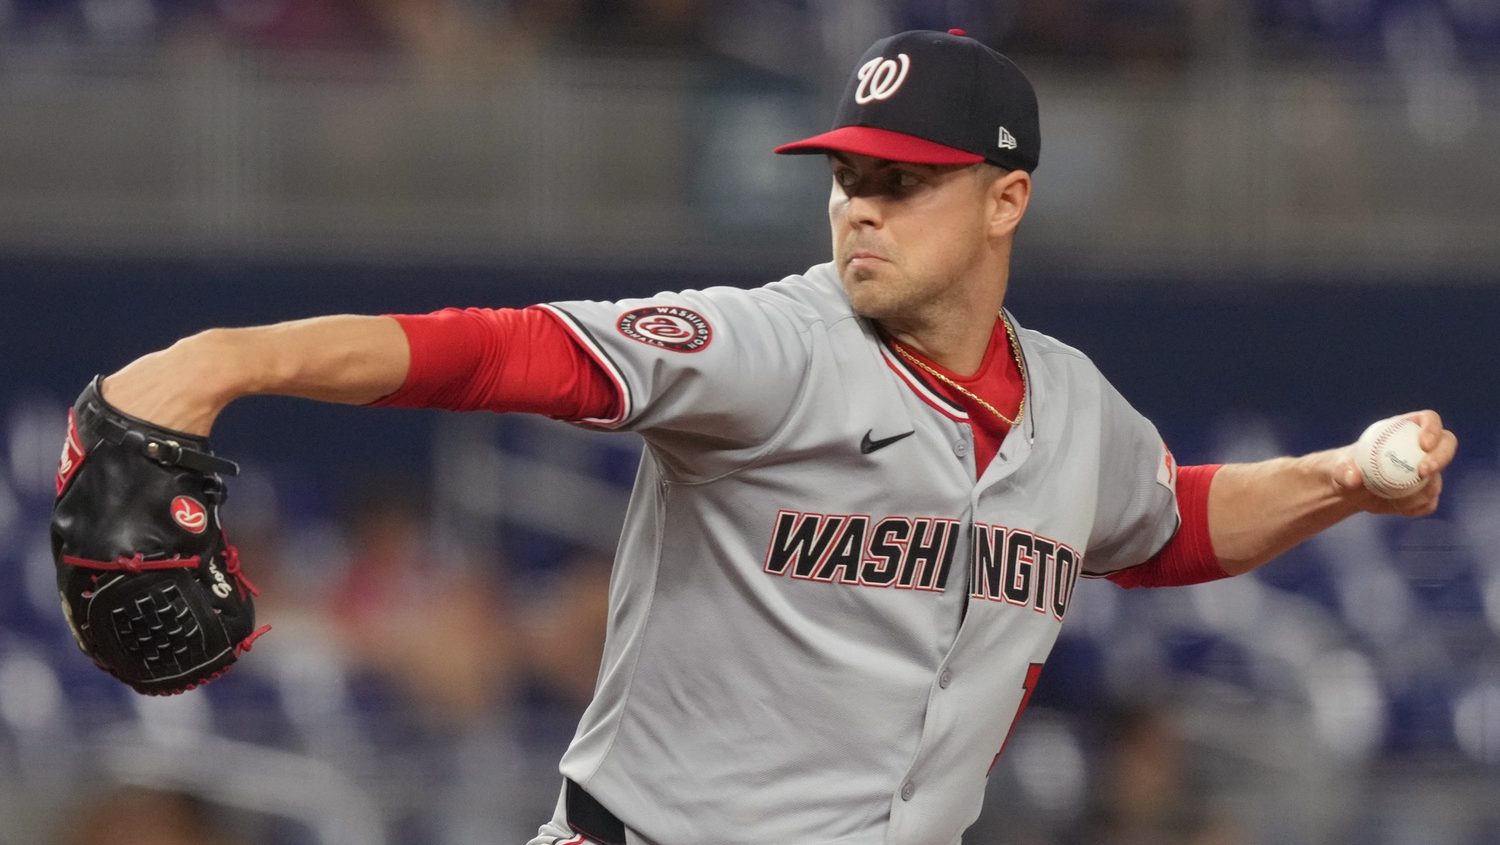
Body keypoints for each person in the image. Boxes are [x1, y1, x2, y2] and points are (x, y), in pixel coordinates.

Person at [95, 28, 1457, 845]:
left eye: (906, 183)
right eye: (850, 176)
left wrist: (1338, 480)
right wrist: (231, 358)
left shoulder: (1079, 409)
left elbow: (1167, 524)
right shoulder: (770, 348)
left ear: (1006, 200)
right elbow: (505, 352)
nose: (860, 207)